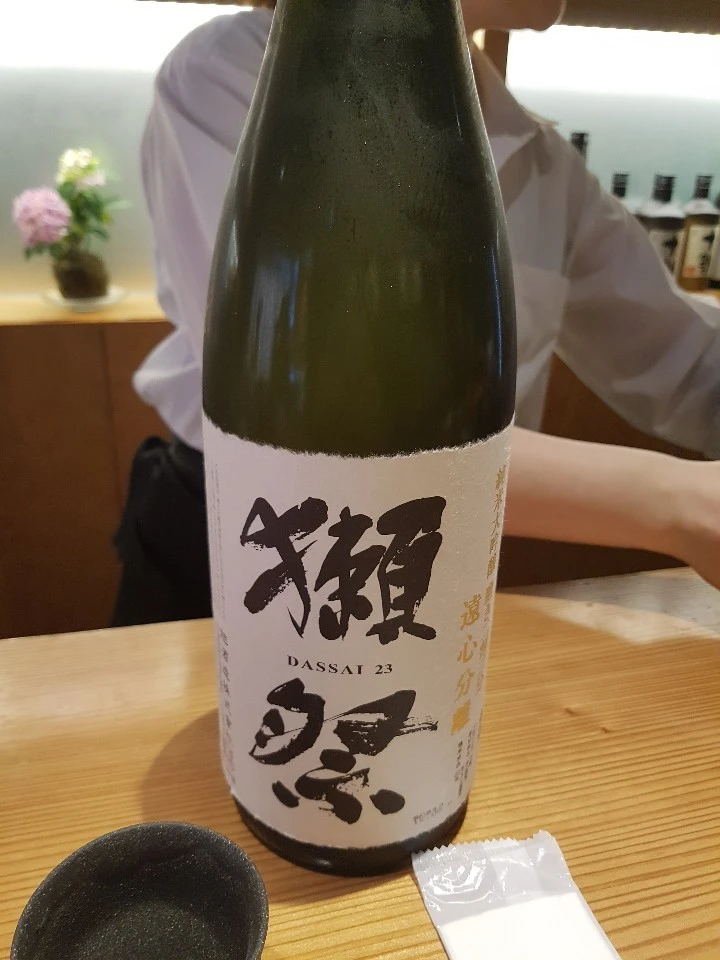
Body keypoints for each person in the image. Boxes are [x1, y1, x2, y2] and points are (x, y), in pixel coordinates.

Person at [112, 0, 720, 626]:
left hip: (436, 550)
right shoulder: (235, 71)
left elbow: (688, 362)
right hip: (245, 537)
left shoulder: (540, 156)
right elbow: (339, 435)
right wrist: (680, 501)